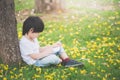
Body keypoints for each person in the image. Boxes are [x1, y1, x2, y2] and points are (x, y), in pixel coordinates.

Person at [19, 16, 84, 67]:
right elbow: (34, 57)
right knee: (53, 58)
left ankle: (67, 61)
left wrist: (52, 46)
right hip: (36, 62)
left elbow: (38, 49)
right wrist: (47, 53)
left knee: (58, 47)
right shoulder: (24, 42)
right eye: (38, 32)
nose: (38, 35)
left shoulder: (33, 38)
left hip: (40, 56)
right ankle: (62, 62)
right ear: (31, 30)